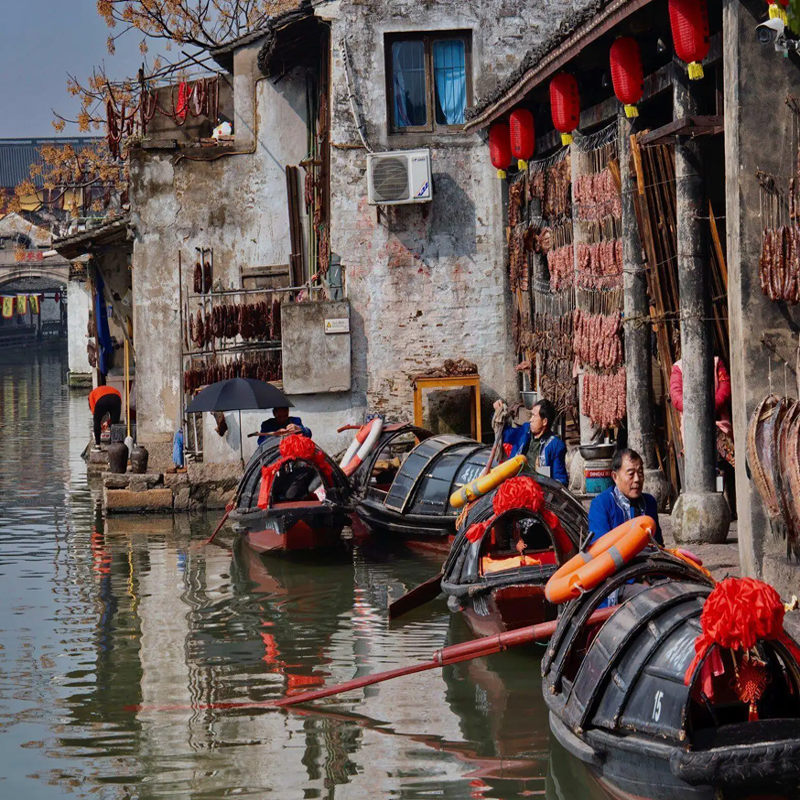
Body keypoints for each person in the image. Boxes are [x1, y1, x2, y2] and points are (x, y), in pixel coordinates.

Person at [588, 448, 663, 545]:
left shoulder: (649, 502)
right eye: (631, 474)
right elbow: (599, 547)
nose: (637, 479)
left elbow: (658, 543)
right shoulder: (601, 505)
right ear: (615, 477)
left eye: (640, 473)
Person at [493, 398, 568, 485]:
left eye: (534, 416)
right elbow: (505, 434)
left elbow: (561, 480)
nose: (530, 420)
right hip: (514, 484)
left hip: (537, 492)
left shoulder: (556, 445)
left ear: (544, 421)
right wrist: (498, 412)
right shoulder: (525, 430)